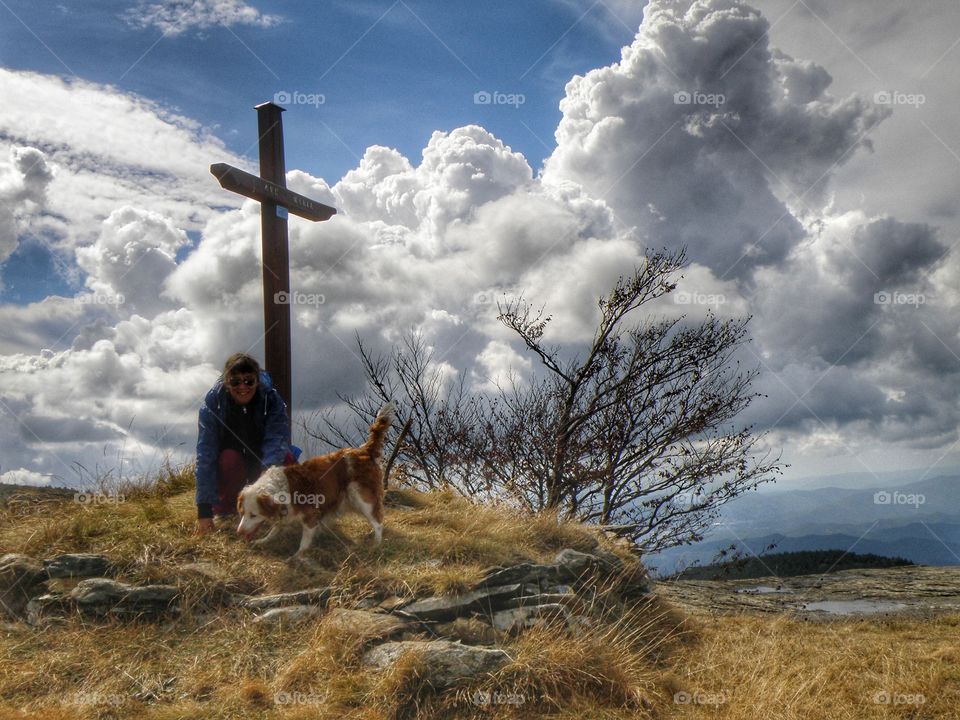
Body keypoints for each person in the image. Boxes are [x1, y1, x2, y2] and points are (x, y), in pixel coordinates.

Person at [193, 353, 295, 535]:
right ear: (226, 382)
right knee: (229, 459)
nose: (243, 387)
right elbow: (205, 454)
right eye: (235, 382)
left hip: (262, 461)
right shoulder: (212, 406)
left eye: (249, 381)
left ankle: (285, 511)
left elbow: (277, 438)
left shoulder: (271, 400)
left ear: (257, 381)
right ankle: (227, 510)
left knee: (286, 460)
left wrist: (268, 473)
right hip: (232, 466)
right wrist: (204, 511)